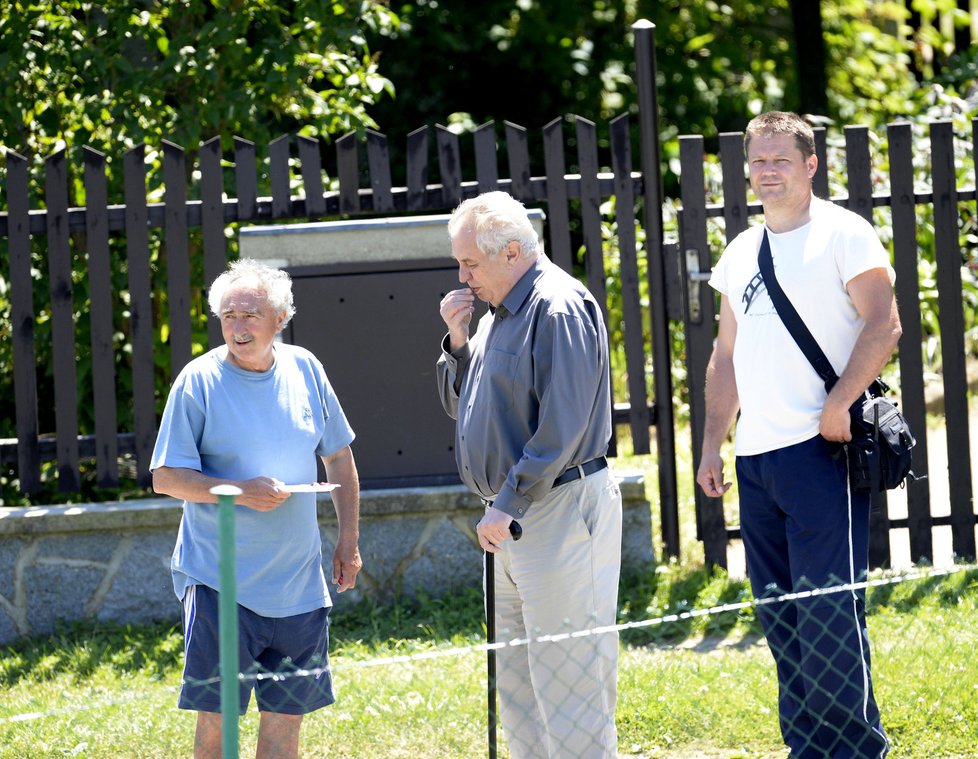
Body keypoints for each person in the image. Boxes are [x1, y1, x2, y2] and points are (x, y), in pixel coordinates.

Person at [696, 111, 900, 758]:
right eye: (758, 160)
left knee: (829, 612)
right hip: (756, 461)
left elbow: (885, 325)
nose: (767, 171)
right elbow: (724, 356)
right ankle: (807, 747)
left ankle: (855, 750)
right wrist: (710, 443)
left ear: (811, 165)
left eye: (781, 159)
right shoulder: (739, 253)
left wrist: (841, 401)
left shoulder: (846, 234)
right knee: (781, 618)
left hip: (822, 453)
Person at [151, 258, 362, 759]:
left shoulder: (306, 367)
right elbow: (166, 478)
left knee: (285, 726)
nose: (238, 327)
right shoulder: (197, 381)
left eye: (250, 314)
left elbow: (339, 457)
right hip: (221, 580)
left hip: (298, 584)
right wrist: (240, 491)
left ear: (280, 319)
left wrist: (348, 540)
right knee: (219, 723)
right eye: (228, 316)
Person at [436, 191, 623, 759]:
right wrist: (457, 342)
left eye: (470, 264)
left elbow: (562, 427)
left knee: (569, 679)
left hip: (555, 507)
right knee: (518, 683)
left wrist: (507, 502)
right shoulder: (495, 317)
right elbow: (462, 406)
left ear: (512, 250)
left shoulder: (557, 306)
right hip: (511, 517)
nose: (462, 278)